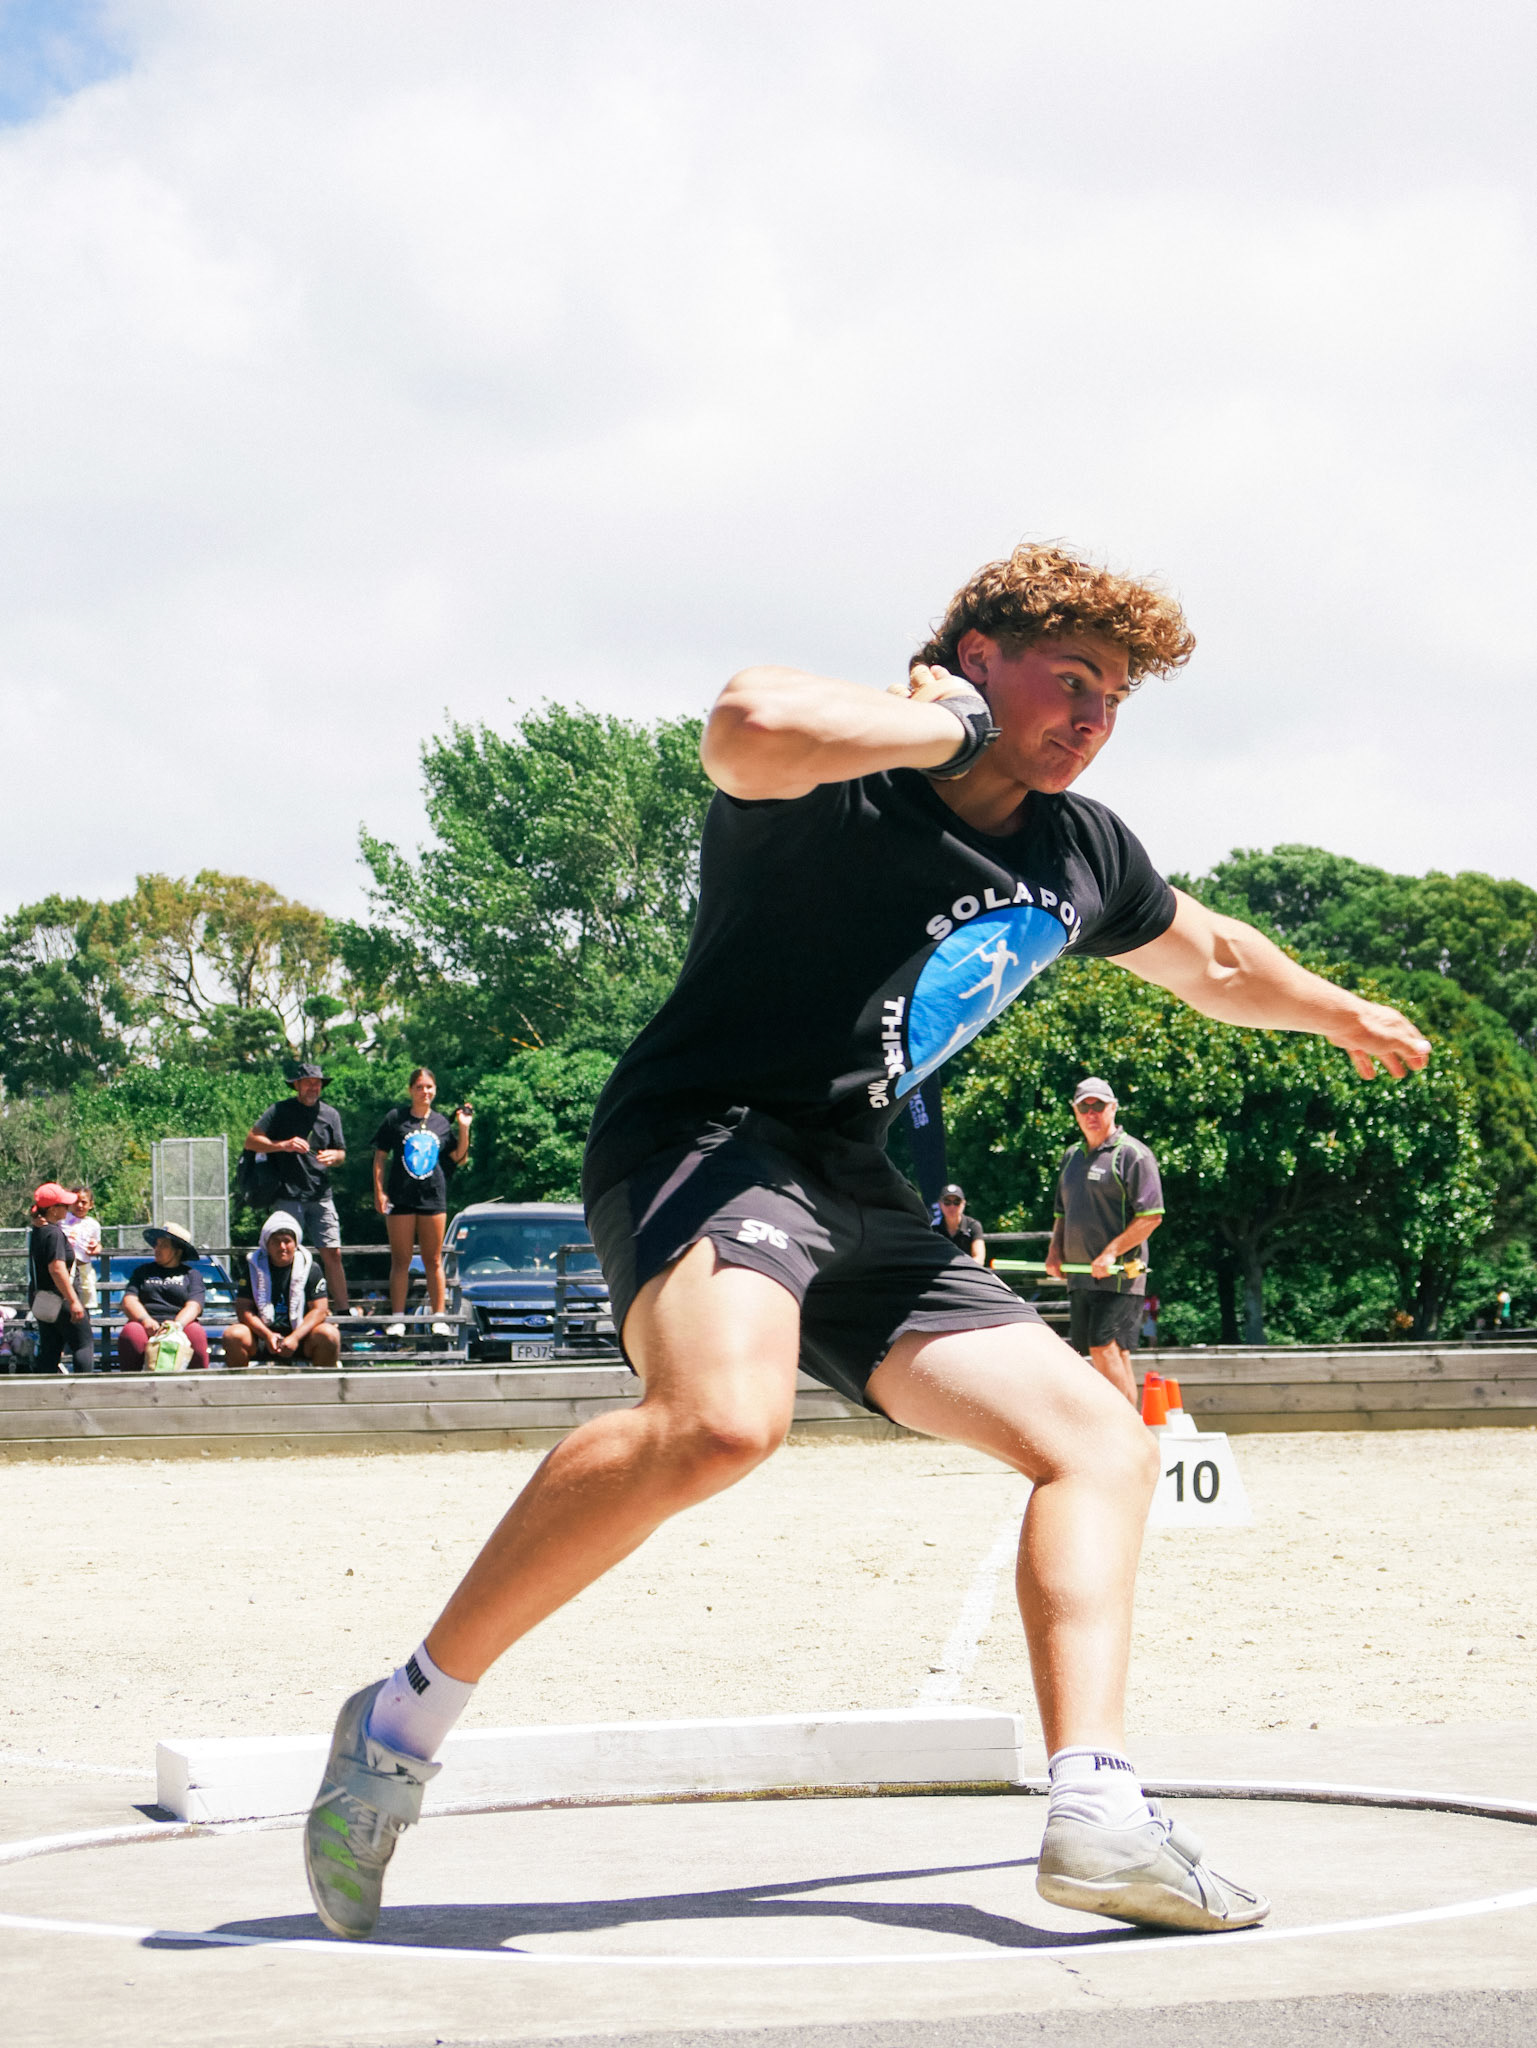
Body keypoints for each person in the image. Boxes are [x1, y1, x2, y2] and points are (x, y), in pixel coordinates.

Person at [302, 542, 1431, 1944]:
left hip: (853, 1179)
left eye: (1116, 697)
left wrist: (1338, 1010)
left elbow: (1209, 955)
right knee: (722, 1423)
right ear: (975, 661)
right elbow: (745, 721)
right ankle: (396, 1727)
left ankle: (1096, 1807)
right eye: (1070, 679)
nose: (1093, 718)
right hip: (707, 1140)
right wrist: (943, 724)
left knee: (1101, 1443)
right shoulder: (841, 782)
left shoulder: (1082, 850)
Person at [1046, 1078, 1164, 1404]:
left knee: (1103, 1345)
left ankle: (1122, 1426)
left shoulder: (1133, 1155)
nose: (1091, 1113)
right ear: (1075, 1111)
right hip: (1080, 1275)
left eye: (1098, 1105)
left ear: (1113, 1108)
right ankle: (1133, 1425)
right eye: (1084, 1107)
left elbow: (1151, 1216)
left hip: (1120, 1275)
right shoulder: (1071, 1156)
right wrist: (1054, 1251)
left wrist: (1111, 1253)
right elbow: (1061, 1212)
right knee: (1109, 1351)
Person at [371, 1069, 471, 1337]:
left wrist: (464, 1128)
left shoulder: (441, 1122)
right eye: (419, 1087)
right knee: (401, 1259)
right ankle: (398, 1318)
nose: (424, 1091)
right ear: (410, 1090)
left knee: (433, 1259)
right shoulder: (396, 1118)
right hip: (400, 1197)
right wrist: (379, 1192)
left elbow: (459, 1157)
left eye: (429, 1087)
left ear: (435, 1090)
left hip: (433, 1196)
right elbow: (380, 1156)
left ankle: (439, 1317)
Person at [244, 1066, 351, 1314]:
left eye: (317, 1083)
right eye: (308, 1083)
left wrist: (334, 1157)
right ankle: (287, 1310)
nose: (313, 1087)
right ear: (297, 1085)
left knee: (333, 1253)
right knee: (285, 1255)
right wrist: (283, 1145)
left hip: (321, 1195)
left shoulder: (331, 1114)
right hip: (287, 1196)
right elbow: (251, 1141)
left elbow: (342, 1153)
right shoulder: (279, 1110)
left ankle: (344, 1312)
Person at [223, 1213, 341, 1369]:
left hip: (301, 1336)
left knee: (329, 1334)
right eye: (276, 1242)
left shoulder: (310, 1268)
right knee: (233, 1335)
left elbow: (319, 1310)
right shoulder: (253, 1268)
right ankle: (240, 1383)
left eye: (287, 1241)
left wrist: (295, 1337)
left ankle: (324, 1383)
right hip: (261, 1337)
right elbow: (244, 1309)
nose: (282, 1247)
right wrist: (267, 1335)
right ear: (267, 1244)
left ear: (296, 1243)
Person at [117, 1221, 211, 1371]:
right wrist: (146, 1320)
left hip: (180, 1326)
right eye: (157, 1245)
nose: (157, 1249)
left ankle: (198, 1380)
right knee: (131, 1331)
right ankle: (133, 1381)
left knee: (196, 1332)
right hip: (146, 1325)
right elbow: (129, 1300)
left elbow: (194, 1305)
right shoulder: (143, 1271)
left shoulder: (192, 1275)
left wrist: (176, 1325)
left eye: (164, 1245)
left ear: (178, 1251)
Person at [26, 1182, 93, 1375]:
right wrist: (73, 1301)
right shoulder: (54, 1233)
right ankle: (85, 1387)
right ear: (53, 1210)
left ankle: (45, 1390)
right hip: (60, 1298)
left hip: (42, 1299)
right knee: (83, 1343)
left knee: (51, 1348)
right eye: (64, 1205)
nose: (68, 1207)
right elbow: (56, 1269)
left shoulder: (39, 1230)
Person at [63, 1187, 102, 1314]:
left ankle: (85, 1318)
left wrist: (96, 1247)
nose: (79, 1205)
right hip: (66, 1266)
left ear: (91, 1205)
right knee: (66, 1298)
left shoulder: (93, 1224)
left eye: (83, 1202)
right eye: (76, 1202)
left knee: (86, 1296)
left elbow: (97, 1243)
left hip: (83, 1265)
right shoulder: (63, 1219)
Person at [934, 1182, 986, 1262]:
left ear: (963, 1204)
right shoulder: (933, 1228)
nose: (952, 1206)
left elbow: (979, 1258)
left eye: (957, 1202)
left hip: (967, 1268)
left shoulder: (973, 1226)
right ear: (940, 1204)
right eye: (947, 1202)